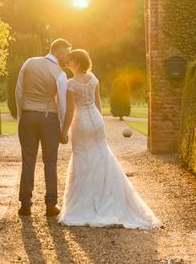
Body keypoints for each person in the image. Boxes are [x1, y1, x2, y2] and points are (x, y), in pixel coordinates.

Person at [57, 49, 162, 229]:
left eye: (72, 60)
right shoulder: (94, 79)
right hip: (96, 121)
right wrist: (99, 123)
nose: (69, 62)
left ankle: (85, 203)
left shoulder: (70, 84)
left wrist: (64, 131)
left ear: (79, 63)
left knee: (82, 159)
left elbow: (69, 111)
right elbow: (97, 104)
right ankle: (108, 196)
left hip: (80, 123)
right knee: (101, 156)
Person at [15, 38, 71, 217]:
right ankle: (50, 205)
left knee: (28, 160)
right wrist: (63, 129)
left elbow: (19, 91)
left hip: (28, 115)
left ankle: (25, 204)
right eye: (67, 54)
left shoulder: (29, 63)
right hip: (49, 119)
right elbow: (61, 103)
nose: (68, 59)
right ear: (60, 52)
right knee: (50, 161)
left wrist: (22, 113)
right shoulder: (60, 74)